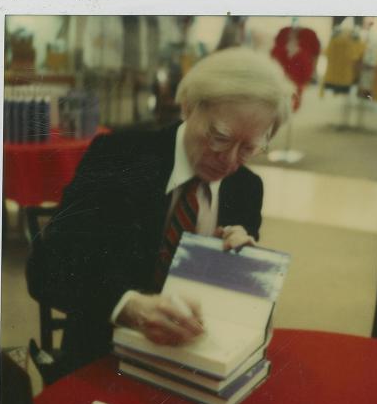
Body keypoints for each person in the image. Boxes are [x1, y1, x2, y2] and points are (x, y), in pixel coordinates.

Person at [27, 47, 294, 378]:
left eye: (249, 148)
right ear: (188, 106)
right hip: (104, 361)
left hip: (193, 366)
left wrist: (241, 271)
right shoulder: (119, 157)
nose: (228, 161)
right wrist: (127, 307)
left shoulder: (246, 188)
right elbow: (45, 270)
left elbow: (233, 316)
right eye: (220, 137)